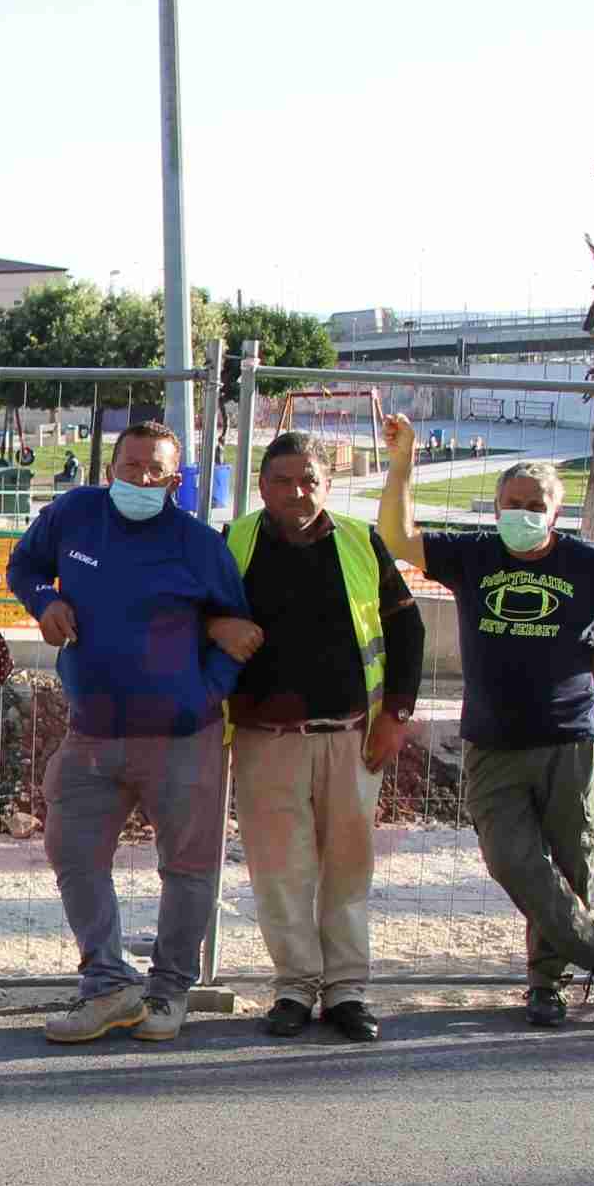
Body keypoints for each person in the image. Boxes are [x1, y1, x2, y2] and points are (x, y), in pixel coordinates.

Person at [377, 415, 594, 1027]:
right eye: (512, 503)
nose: (522, 512)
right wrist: (403, 459)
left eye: (535, 505)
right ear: (496, 506)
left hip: (569, 738)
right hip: (492, 740)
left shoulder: (586, 562)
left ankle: (548, 986)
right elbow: (399, 537)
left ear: (555, 513)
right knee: (512, 860)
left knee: (568, 863)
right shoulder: (473, 556)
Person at [10, 420, 249, 1047]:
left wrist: (207, 691)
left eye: (154, 470)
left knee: (189, 868)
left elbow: (240, 632)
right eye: (130, 465)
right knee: (74, 856)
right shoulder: (74, 515)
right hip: (91, 734)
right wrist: (43, 602)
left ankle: (169, 993)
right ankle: (108, 987)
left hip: (182, 739)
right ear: (110, 467)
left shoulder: (199, 545)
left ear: (174, 480)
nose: (139, 478)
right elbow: (23, 565)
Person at [225, 431, 426, 1044]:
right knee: (279, 869)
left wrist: (395, 717)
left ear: (327, 483)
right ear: (262, 486)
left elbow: (408, 629)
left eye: (309, 479)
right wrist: (218, 622)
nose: (297, 492)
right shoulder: (234, 543)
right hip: (266, 739)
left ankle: (346, 990)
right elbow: (195, 614)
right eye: (283, 481)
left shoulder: (359, 542)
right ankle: (293, 987)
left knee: (346, 868)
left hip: (351, 737)